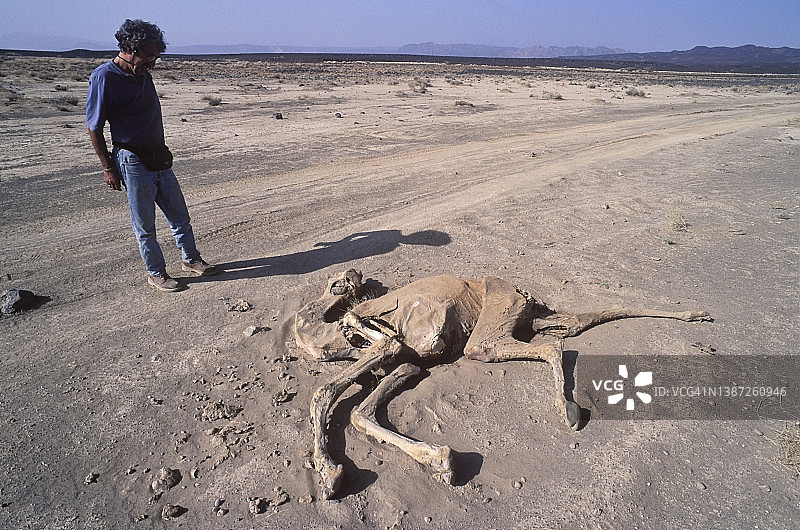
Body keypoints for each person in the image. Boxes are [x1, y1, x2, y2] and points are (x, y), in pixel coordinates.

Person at [86, 19, 218, 292]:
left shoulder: (143, 74)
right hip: (131, 160)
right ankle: (156, 273)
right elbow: (94, 126)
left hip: (159, 156)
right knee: (145, 225)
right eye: (148, 55)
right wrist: (108, 167)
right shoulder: (104, 77)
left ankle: (191, 259)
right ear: (127, 47)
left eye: (156, 56)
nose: (152, 62)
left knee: (180, 215)